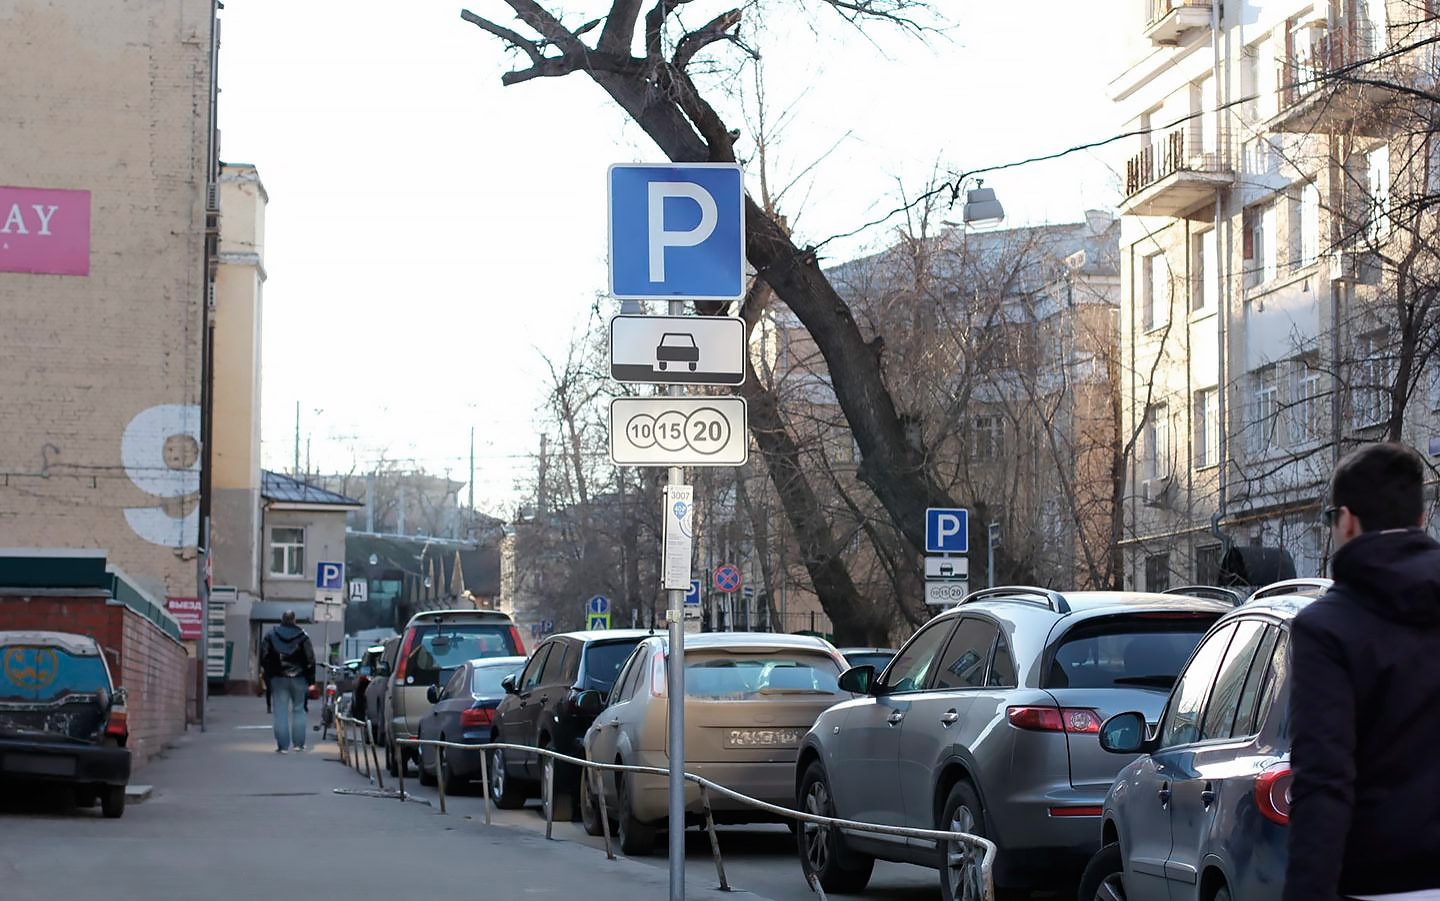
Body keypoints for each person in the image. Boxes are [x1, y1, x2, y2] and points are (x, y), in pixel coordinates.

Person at [1285, 442, 1440, 901]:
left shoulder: (1327, 628)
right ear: (1420, 521)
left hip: (1379, 881)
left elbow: (1324, 781)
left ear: (1347, 520)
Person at [259, 611, 316, 754]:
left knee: (280, 711)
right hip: (299, 678)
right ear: (294, 620)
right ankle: (299, 745)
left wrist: (270, 673)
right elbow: (310, 660)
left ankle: (283, 746)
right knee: (299, 710)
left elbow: (264, 656)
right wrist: (311, 681)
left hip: (278, 678)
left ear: (282, 620)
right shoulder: (303, 636)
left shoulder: (271, 635)